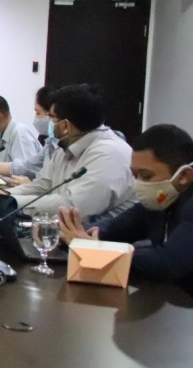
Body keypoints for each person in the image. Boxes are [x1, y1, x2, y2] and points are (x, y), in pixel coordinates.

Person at [59, 124, 193, 290]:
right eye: (134, 175)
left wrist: (95, 249)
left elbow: (168, 262)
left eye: (146, 176)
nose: (138, 184)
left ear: (184, 176)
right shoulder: (159, 199)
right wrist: (73, 233)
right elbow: (114, 228)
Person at [0, 84, 136, 221]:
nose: (49, 123)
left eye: (51, 117)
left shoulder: (108, 154)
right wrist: (3, 196)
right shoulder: (67, 144)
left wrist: (11, 203)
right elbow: (42, 185)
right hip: (68, 232)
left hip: (103, 239)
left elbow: (72, 206)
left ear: (65, 126)